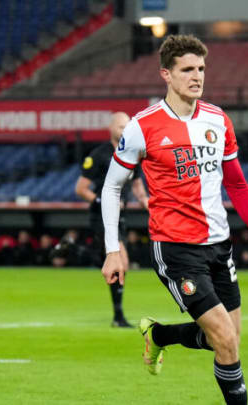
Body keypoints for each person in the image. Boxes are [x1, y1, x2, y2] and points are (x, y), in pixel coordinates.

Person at [100, 35, 248, 405]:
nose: (197, 76)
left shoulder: (217, 119)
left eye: (201, 68)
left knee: (228, 338)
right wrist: (112, 250)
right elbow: (111, 188)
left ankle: (159, 337)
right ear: (166, 75)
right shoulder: (143, 126)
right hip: (175, 248)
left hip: (219, 246)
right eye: (187, 69)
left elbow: (237, 184)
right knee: (223, 336)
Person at [75, 112, 149, 328]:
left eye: (127, 126)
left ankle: (79, 252)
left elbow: (136, 183)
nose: (124, 130)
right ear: (111, 129)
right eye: (120, 126)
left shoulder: (132, 154)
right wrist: (101, 201)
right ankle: (118, 316)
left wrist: (144, 200)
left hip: (121, 216)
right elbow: (80, 189)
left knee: (121, 264)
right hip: (102, 215)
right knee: (121, 261)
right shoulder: (99, 155)